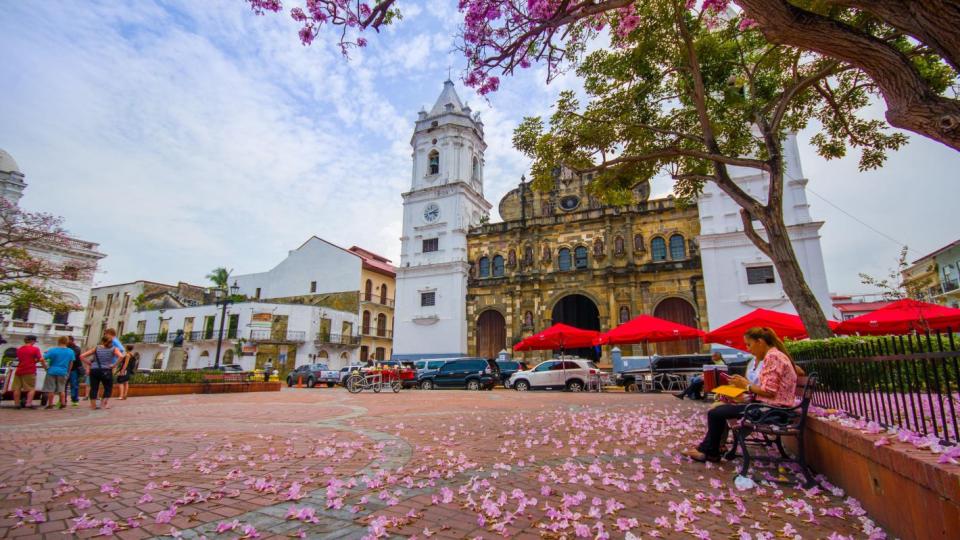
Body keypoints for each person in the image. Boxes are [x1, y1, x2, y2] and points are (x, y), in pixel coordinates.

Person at [682, 327, 798, 463]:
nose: (748, 349)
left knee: (715, 413)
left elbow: (769, 391)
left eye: (749, 344)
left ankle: (709, 452)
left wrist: (746, 385)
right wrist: (743, 384)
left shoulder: (773, 357)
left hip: (772, 410)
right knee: (717, 410)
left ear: (760, 342)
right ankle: (708, 450)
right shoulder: (774, 355)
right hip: (770, 407)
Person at [79, 336, 124, 410]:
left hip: (94, 370)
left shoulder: (96, 348)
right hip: (106, 370)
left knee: (94, 388)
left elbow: (81, 356)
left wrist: (90, 364)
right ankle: (103, 404)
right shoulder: (113, 349)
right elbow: (121, 356)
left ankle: (93, 405)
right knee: (108, 387)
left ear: (102, 341)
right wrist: (114, 365)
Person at [12, 336, 46, 409]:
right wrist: (45, 367)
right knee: (31, 388)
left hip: (19, 370)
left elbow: (22, 359)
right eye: (34, 341)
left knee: (17, 388)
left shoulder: (19, 349)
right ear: (32, 341)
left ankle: (16, 404)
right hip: (30, 370)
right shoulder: (35, 349)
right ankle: (28, 403)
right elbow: (41, 359)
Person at [42, 337, 74, 409]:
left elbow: (42, 359)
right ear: (67, 342)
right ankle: (63, 403)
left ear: (58, 341)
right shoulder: (70, 351)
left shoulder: (53, 350)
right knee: (62, 388)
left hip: (52, 370)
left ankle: (50, 404)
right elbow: (71, 363)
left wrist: (45, 368)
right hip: (63, 371)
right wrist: (68, 371)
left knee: (51, 389)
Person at [66, 336, 84, 407]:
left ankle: (75, 400)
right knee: (64, 385)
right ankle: (63, 400)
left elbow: (73, 357)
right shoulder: (65, 348)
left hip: (74, 369)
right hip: (65, 368)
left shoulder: (76, 348)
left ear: (71, 341)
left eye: (67, 340)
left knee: (74, 384)